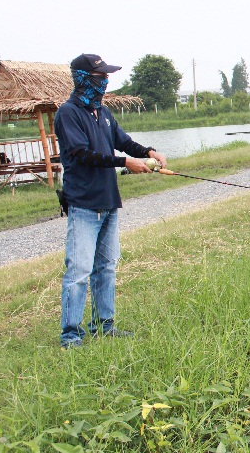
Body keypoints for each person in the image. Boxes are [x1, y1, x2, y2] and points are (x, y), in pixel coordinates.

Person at [54, 53, 168, 349]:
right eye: (99, 77)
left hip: (109, 202)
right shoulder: (68, 113)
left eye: (106, 77)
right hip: (83, 204)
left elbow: (124, 141)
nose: (104, 81)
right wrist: (124, 162)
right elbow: (81, 154)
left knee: (106, 267)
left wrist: (149, 152)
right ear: (82, 78)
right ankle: (71, 335)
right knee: (79, 271)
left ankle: (104, 326)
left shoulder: (102, 112)